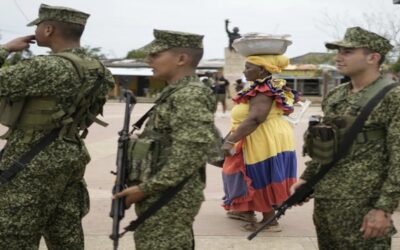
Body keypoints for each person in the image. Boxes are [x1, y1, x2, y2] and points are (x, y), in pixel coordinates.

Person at [0, 4, 114, 249]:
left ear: (49, 29)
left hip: (32, 160)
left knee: (13, 234)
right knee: (65, 233)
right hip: (71, 153)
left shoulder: (47, 67)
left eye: (39, 26)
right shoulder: (101, 71)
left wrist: (5, 49)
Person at [291, 27, 398, 249]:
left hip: (364, 205)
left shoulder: (392, 97)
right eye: (338, 51)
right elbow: (325, 143)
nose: (338, 57)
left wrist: (383, 208)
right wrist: (307, 179)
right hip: (327, 199)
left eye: (348, 51)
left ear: (373, 57)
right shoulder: (336, 95)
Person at [113, 29, 217, 250]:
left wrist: (145, 189)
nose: (148, 60)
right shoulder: (176, 92)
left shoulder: (189, 95)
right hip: (165, 191)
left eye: (155, 55)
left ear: (181, 59)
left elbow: (191, 154)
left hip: (170, 194)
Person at [221, 55, 299, 232]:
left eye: (248, 67)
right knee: (251, 172)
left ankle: (269, 220)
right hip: (271, 135)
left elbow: (256, 118)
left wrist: (230, 141)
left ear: (262, 70)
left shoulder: (263, 89)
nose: (244, 70)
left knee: (260, 174)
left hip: (262, 137)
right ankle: (246, 210)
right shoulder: (268, 85)